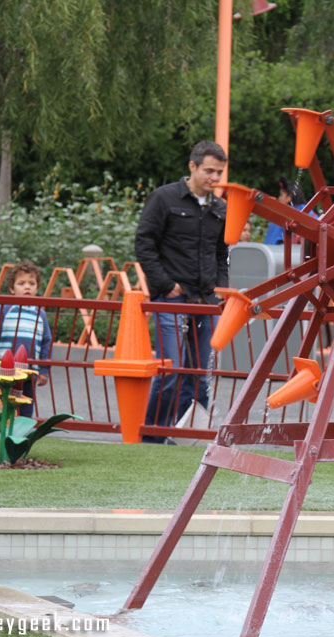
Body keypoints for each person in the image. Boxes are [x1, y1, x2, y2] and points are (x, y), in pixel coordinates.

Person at [135, 140, 229, 443]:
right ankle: (153, 436)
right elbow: (144, 244)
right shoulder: (164, 198)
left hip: (205, 300)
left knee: (199, 375)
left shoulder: (220, 208)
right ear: (193, 166)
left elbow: (220, 253)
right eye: (209, 171)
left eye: (219, 172)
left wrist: (221, 290)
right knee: (172, 370)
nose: (214, 178)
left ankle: (185, 436)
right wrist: (165, 285)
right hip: (172, 297)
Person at [0, 261, 52, 417]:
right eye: (21, 283)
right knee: (1, 400)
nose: (27, 287)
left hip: (29, 371)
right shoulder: (5, 309)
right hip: (3, 369)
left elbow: (46, 341)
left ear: (37, 288)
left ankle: (23, 429)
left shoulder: (40, 314)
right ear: (12, 289)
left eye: (32, 283)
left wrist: (44, 370)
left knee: (26, 402)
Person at [263, 178, 306, 245]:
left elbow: (270, 243)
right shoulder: (309, 212)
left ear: (289, 197)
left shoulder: (281, 215)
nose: (279, 198)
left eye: (281, 195)